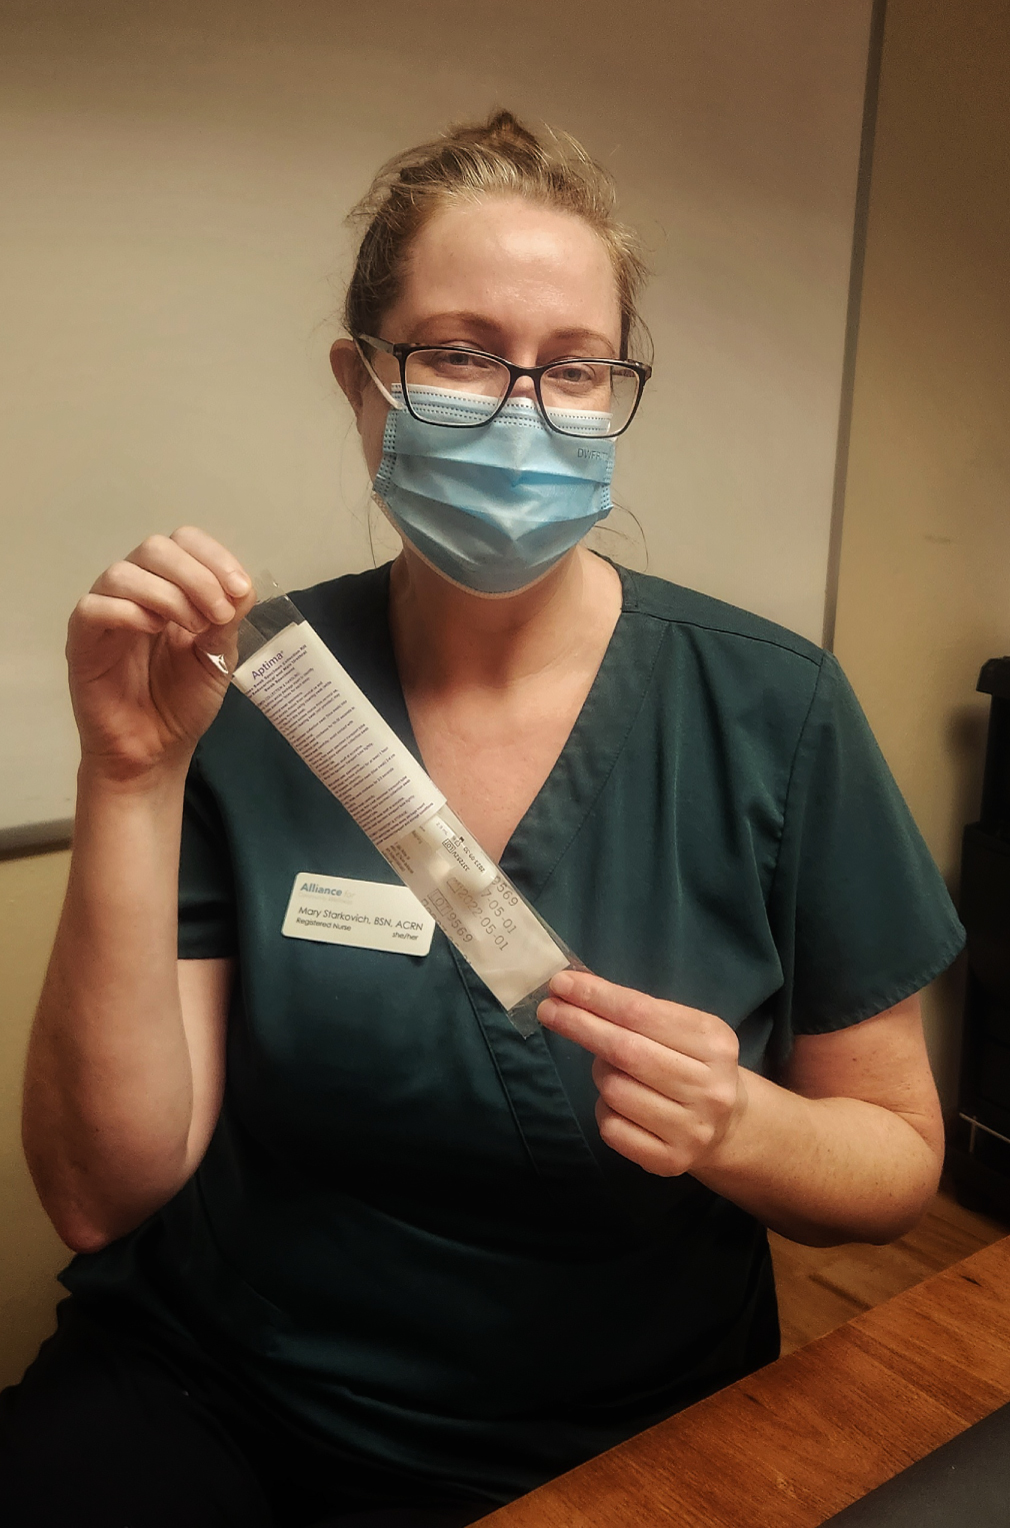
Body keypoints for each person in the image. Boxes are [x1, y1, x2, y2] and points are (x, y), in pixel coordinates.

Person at [1, 111, 963, 1527]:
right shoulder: (251, 694)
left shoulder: (774, 712)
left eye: (573, 369)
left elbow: (892, 1161)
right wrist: (130, 781)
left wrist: (738, 1123)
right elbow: (99, 1199)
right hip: (221, 1380)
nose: (522, 408)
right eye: (458, 352)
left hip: (611, 1424)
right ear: (363, 382)